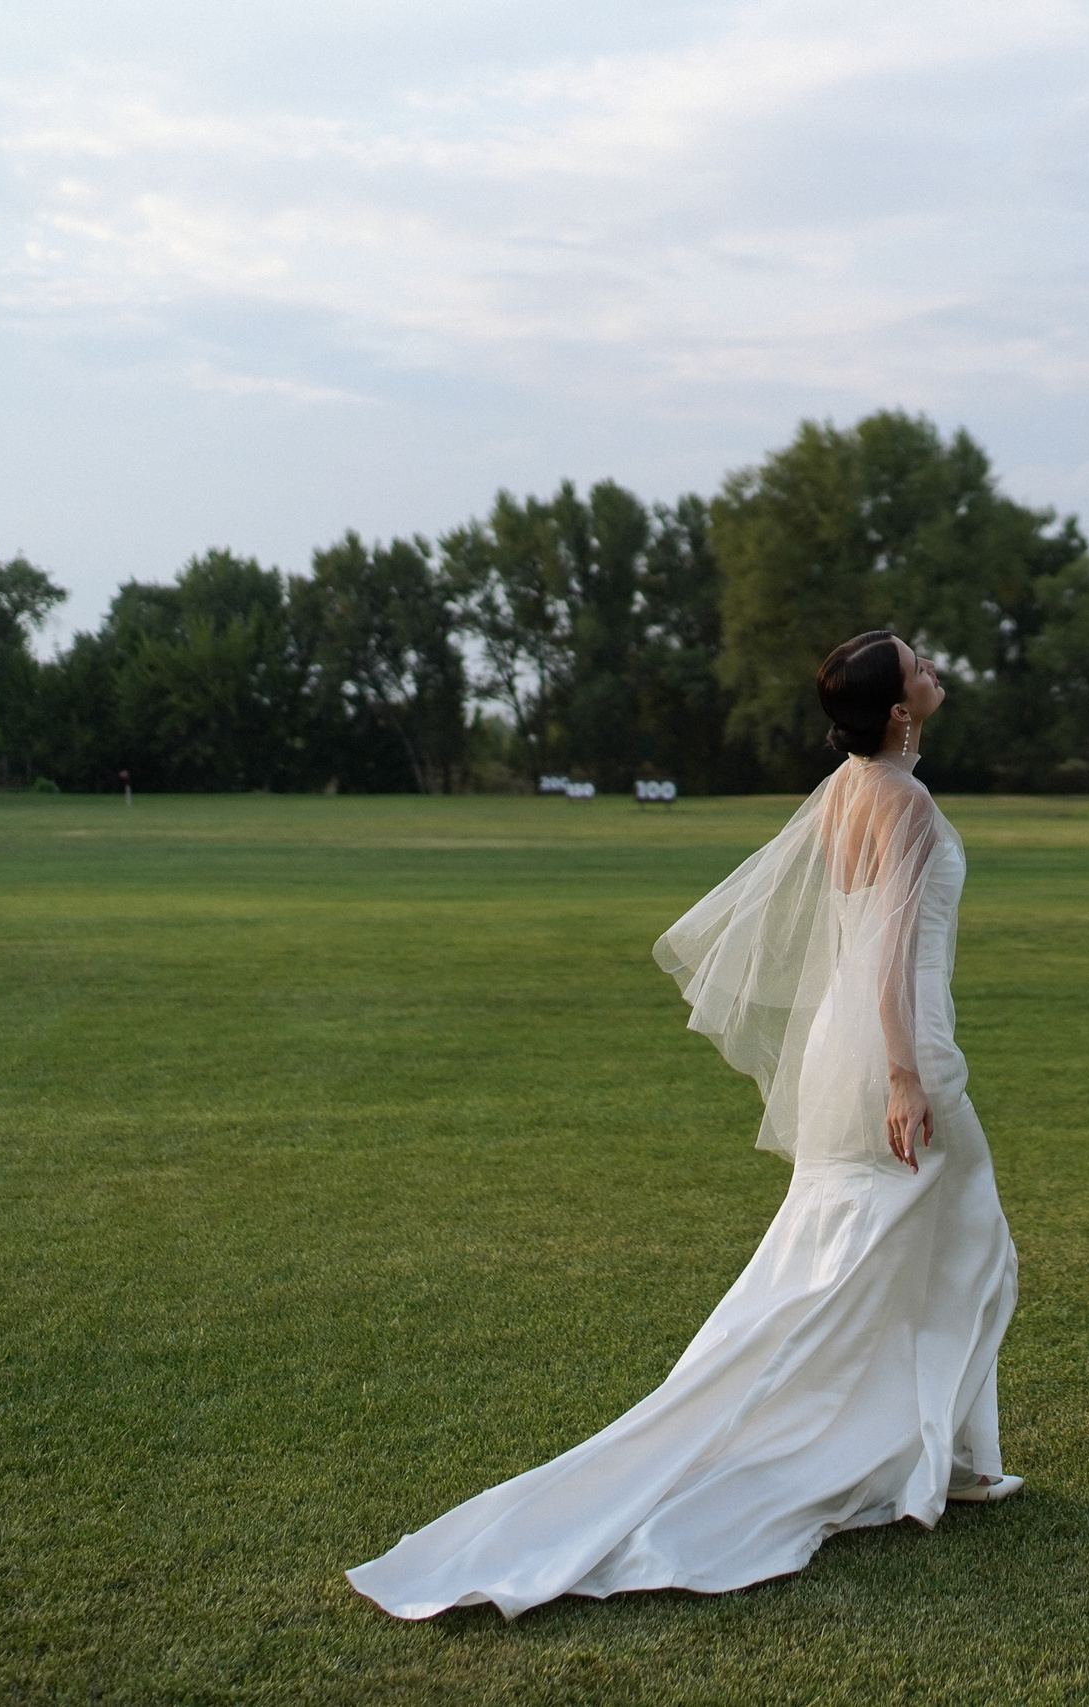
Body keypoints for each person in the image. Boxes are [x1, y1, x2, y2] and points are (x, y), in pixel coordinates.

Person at [346, 632, 1020, 1621]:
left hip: (857, 1042)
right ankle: (903, 1452)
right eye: (918, 664)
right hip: (895, 1048)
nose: (933, 665)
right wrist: (906, 1077)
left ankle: (937, 1454)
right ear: (896, 709)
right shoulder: (902, 801)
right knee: (958, 1250)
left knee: (881, 1252)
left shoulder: (846, 788)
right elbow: (879, 953)